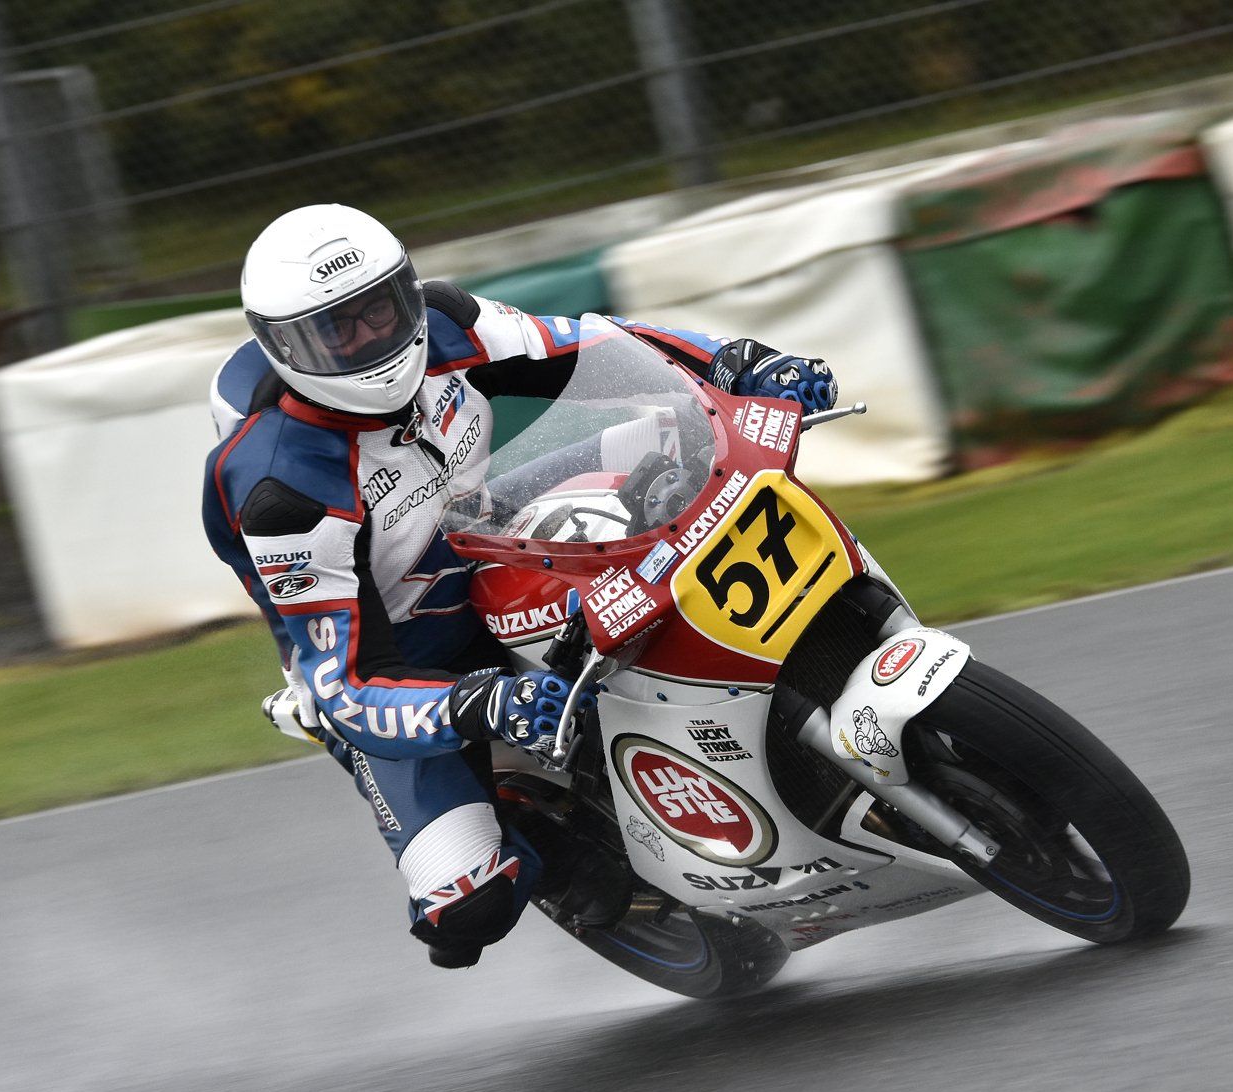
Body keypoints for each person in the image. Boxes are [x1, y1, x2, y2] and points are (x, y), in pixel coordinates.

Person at [202, 204, 837, 969]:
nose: (371, 339)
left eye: (378, 309)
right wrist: (473, 703)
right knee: (466, 907)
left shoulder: (444, 322)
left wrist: (736, 360)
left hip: (494, 528)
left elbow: (599, 344)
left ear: (405, 288)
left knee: (673, 440)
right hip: (407, 655)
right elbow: (346, 683)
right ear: (283, 348)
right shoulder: (283, 491)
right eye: (336, 331)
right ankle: (581, 864)